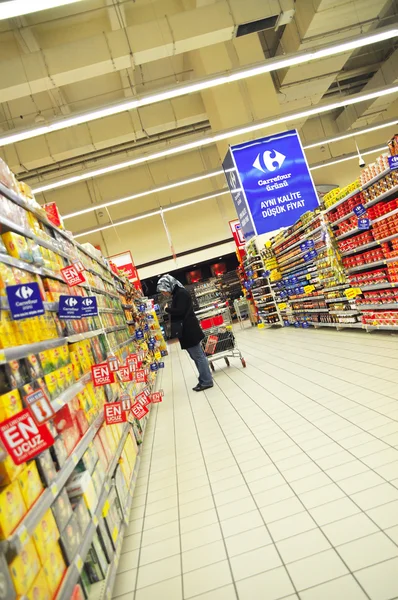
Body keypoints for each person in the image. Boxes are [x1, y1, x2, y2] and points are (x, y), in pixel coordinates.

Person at [157, 274, 213, 392]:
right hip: (187, 329)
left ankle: (207, 381)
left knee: (198, 356)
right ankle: (203, 380)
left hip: (189, 330)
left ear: (169, 286)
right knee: (197, 356)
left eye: (164, 291)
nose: (164, 294)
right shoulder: (178, 293)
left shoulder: (181, 294)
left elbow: (180, 311)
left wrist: (167, 309)